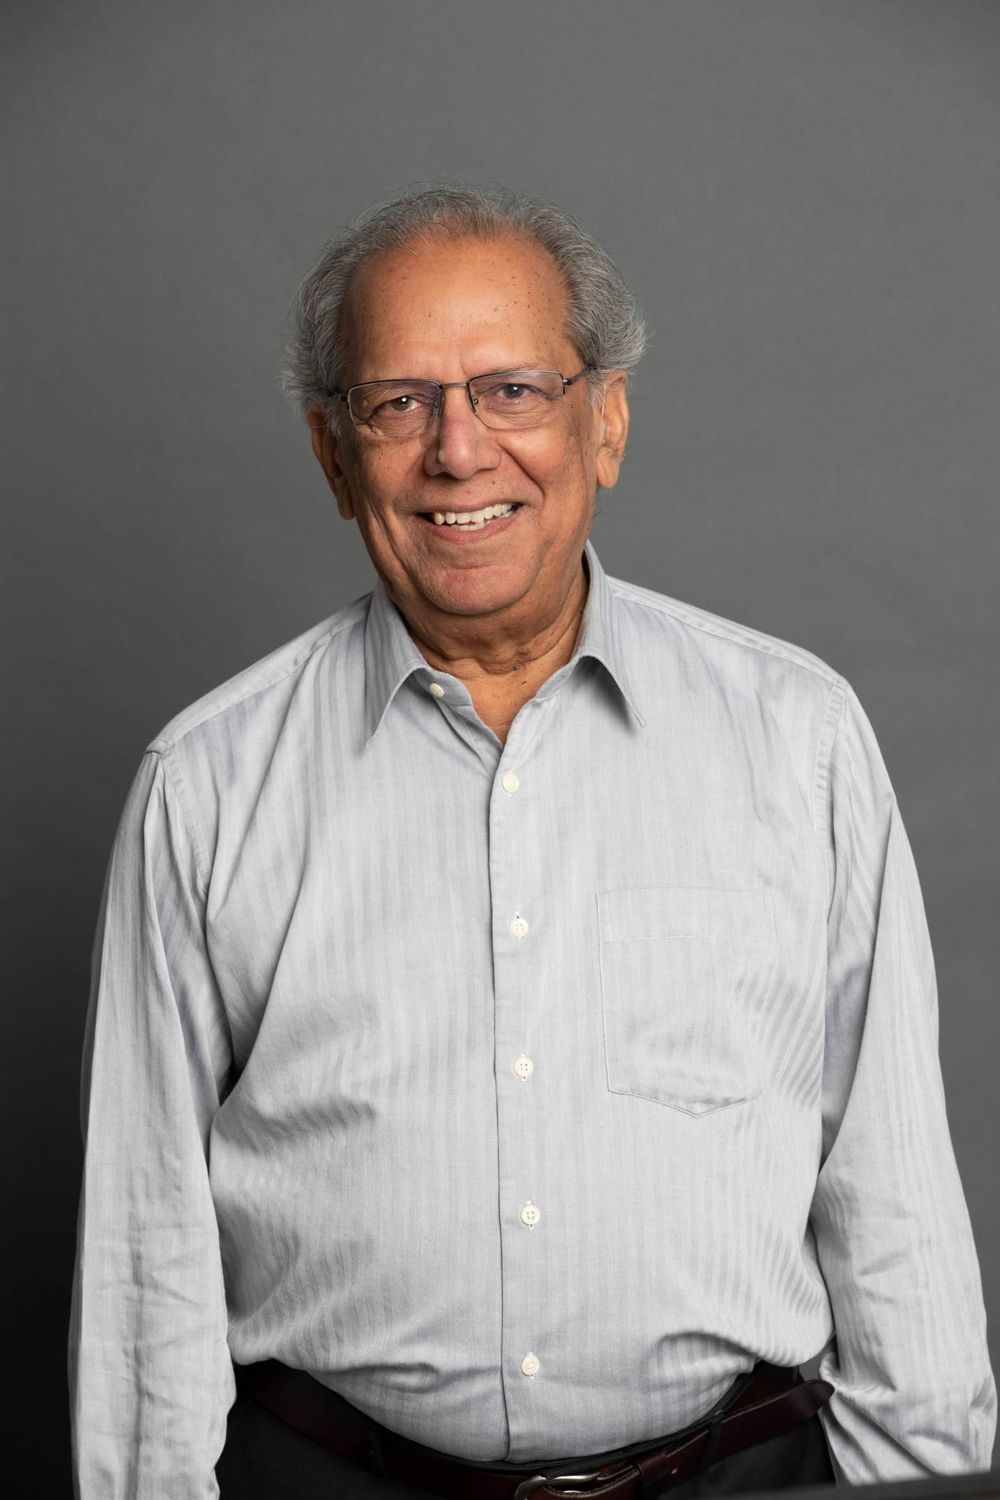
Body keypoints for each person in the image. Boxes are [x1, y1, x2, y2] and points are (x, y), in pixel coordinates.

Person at [69, 185, 995, 1500]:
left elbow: (892, 1195)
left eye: (512, 390)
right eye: (399, 403)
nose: (460, 451)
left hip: (740, 1476)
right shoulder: (207, 783)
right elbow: (143, 1246)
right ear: (334, 456)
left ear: (603, 422)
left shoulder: (801, 739)